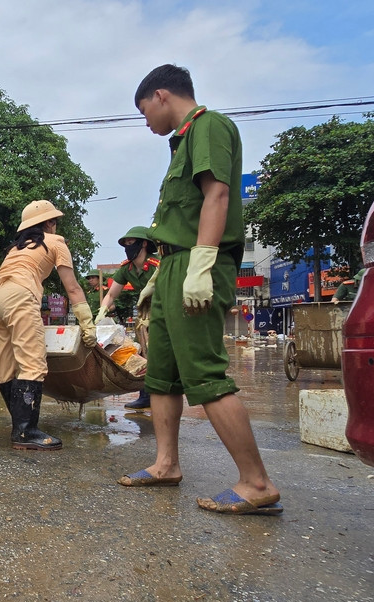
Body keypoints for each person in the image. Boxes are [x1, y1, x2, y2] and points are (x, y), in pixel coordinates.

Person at [120, 64, 281, 515]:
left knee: (204, 374)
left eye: (144, 110)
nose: (146, 121)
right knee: (163, 373)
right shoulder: (182, 143)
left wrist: (202, 263)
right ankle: (166, 463)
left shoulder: (209, 126)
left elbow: (217, 196)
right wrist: (161, 276)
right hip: (174, 263)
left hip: (197, 261)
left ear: (162, 95)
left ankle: (257, 482)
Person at [0, 200, 96, 450]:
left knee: (6, 363)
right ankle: (26, 432)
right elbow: (72, 287)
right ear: (48, 223)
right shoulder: (56, 242)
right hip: (20, 295)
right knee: (32, 362)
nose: (56, 226)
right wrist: (87, 325)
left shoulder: (16, 248)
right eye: (54, 221)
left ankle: (20, 426)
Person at [97, 225, 160, 409]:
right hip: (145, 312)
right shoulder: (127, 268)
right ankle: (146, 394)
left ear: (144, 245)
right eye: (126, 244)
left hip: (163, 308)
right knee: (143, 352)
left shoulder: (158, 265)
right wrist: (102, 310)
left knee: (160, 353)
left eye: (132, 243)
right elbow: (111, 295)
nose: (128, 247)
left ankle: (165, 393)